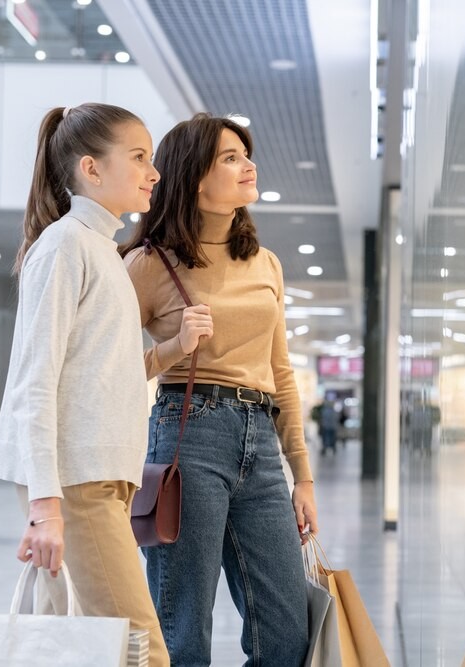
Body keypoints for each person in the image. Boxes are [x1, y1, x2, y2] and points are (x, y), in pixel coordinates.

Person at [121, 112, 317, 666]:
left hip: (261, 441)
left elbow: (280, 371)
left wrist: (303, 475)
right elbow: (109, 369)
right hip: (188, 435)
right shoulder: (148, 263)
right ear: (193, 179)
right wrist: (174, 348)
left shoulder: (265, 262)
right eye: (230, 158)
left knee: (286, 634)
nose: (248, 165)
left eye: (245, 155)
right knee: (183, 633)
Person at [0, 103, 168, 666]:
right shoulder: (66, 245)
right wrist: (46, 507)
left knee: (68, 645)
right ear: (91, 168)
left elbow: (106, 376)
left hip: (98, 476)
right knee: (140, 647)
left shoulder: (101, 249)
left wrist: (176, 349)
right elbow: (34, 382)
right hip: (77, 482)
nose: (153, 172)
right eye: (139, 157)